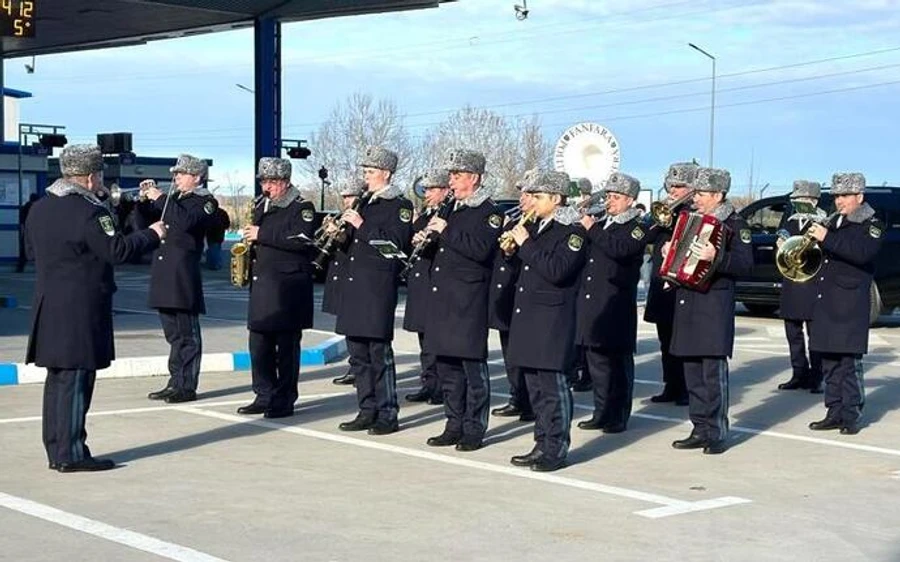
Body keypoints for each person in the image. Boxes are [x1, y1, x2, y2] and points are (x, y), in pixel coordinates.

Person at [24, 144, 166, 472]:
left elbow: (31, 252)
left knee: (57, 379)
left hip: (49, 305)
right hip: (80, 307)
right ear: (89, 177)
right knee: (77, 378)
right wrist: (151, 234)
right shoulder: (91, 211)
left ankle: (56, 450)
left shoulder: (40, 208)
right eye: (99, 175)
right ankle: (72, 454)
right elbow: (116, 250)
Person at [666, 167, 753, 455]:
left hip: (714, 305)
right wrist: (670, 253)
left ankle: (715, 431)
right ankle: (698, 427)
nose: (696, 199)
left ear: (717, 195)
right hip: (687, 302)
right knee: (692, 372)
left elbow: (745, 265)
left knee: (712, 373)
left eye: (702, 194)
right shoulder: (688, 220)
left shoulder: (735, 225)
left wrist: (718, 257)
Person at [506, 170, 586, 472]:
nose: (532, 202)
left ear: (556, 198)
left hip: (553, 320)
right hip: (530, 317)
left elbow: (557, 271)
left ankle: (556, 448)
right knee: (536, 389)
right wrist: (512, 251)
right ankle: (540, 443)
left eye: (538, 197)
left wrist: (526, 244)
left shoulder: (573, 232)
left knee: (553, 389)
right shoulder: (538, 227)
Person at [422, 149, 500, 451]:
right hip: (443, 296)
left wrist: (448, 230)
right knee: (447, 368)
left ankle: (474, 428)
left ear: (474, 178)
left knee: (472, 368)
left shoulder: (489, 212)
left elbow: (481, 250)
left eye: (457, 176)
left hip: (468, 299)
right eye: (451, 176)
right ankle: (453, 423)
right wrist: (427, 241)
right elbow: (446, 249)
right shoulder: (451, 208)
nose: (451, 182)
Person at [334, 146, 413, 435]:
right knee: (358, 356)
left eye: (370, 172)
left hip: (376, 289)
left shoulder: (399, 205)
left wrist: (361, 225)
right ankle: (366, 410)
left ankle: (387, 413)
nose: (365, 178)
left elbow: (393, 247)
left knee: (379, 355)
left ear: (386, 173)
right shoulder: (364, 202)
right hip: (354, 286)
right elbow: (354, 245)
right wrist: (340, 234)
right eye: (364, 172)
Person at [236, 158, 315, 418]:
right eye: (263, 182)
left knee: (287, 349)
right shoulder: (261, 205)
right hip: (262, 287)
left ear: (285, 182)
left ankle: (284, 399)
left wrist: (261, 235)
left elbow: (301, 240)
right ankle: (263, 393)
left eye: (271, 182)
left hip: (287, 290)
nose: (266, 187)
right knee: (259, 346)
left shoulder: (302, 207)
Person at [807, 172, 883, 435]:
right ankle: (834, 410)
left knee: (848, 363)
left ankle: (851, 414)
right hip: (827, 299)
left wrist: (826, 238)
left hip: (850, 303)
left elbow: (862, 253)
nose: (839, 201)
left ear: (859, 197)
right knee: (829, 361)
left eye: (844, 196)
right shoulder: (833, 220)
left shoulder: (871, 223)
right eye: (836, 196)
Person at [575, 172, 647, 435]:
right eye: (608, 196)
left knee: (617, 364)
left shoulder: (637, 227)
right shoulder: (603, 223)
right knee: (596, 364)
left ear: (630, 200)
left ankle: (619, 414)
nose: (609, 201)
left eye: (615, 197)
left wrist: (591, 228)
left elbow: (620, 250)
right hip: (593, 301)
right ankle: (601, 411)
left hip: (616, 301)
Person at [144, 154, 218, 403]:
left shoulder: (205, 201)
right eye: (175, 174)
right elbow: (143, 223)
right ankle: (175, 380)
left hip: (183, 275)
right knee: (173, 335)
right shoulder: (175, 200)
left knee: (187, 335)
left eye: (181, 174)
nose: (175, 178)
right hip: (165, 273)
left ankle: (187, 385)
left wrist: (160, 197)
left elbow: (185, 222)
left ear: (196, 177)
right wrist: (143, 201)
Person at [644, 162, 698, 405]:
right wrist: (660, 216)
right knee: (665, 340)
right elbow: (646, 236)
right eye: (671, 186)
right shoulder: (665, 211)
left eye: (679, 186)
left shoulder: (695, 213)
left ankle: (686, 387)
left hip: (681, 286)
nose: (673, 191)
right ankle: (671, 385)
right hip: (661, 284)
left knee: (683, 341)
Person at [489, 169, 537, 422]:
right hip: (507, 293)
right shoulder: (514, 219)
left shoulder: (536, 224)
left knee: (524, 353)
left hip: (524, 294)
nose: (523, 199)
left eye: (528, 194)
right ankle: (517, 396)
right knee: (510, 352)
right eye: (522, 193)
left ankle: (528, 401)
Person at [403, 169, 451, 405]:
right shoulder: (426, 216)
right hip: (420, 280)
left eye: (432, 190)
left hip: (436, 282)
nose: (427, 194)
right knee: (424, 338)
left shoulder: (448, 216)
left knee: (436, 339)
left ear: (445, 190)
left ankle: (441, 386)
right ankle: (428, 382)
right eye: (426, 190)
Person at [775, 180, 826, 393]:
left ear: (813, 200)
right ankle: (799, 373)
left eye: (802, 200)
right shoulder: (790, 221)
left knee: (815, 335)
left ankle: (817, 376)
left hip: (813, 282)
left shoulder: (824, 221)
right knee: (793, 333)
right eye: (795, 200)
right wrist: (780, 243)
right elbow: (782, 239)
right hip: (792, 282)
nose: (798, 204)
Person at [323, 178, 367, 386]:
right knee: (347, 328)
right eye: (344, 197)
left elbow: (354, 244)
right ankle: (354, 366)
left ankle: (359, 369)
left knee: (358, 331)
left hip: (355, 278)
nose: (346, 201)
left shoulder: (361, 217)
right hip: (340, 275)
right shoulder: (345, 216)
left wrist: (339, 235)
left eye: (350, 196)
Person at [16, 193, 39, 272]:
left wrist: (23, 231)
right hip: (36, 231)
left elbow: (22, 221)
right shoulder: (37, 207)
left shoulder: (25, 207)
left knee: (24, 250)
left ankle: (20, 267)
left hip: (27, 231)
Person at [205, 204, 230, 271]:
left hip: (211, 234)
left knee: (213, 248)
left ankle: (214, 264)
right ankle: (216, 264)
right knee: (217, 248)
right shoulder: (222, 212)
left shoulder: (209, 212)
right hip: (219, 234)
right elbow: (227, 223)